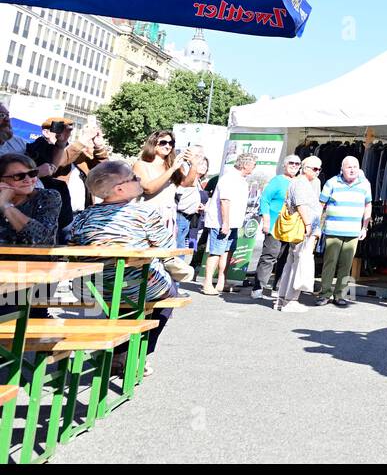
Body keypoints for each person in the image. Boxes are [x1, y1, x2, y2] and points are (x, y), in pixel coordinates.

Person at [69, 161, 179, 375]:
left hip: (91, 288)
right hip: (135, 287)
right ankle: (135, 354)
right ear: (119, 188)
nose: (139, 180)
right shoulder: (145, 213)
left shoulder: (83, 216)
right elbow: (167, 248)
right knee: (170, 295)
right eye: (134, 178)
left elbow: (73, 247)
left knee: (126, 297)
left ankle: (120, 353)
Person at [317, 156, 373, 307]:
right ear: (342, 169)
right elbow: (321, 204)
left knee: (346, 265)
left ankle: (340, 295)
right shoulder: (332, 182)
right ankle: (325, 294)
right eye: (349, 167)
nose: (352, 169)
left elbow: (368, 205)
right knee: (330, 262)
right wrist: (317, 225)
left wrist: (365, 227)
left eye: (355, 166)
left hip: (353, 231)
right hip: (333, 230)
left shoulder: (365, 184)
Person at [201, 153, 256, 295]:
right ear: (245, 165)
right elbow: (224, 201)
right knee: (216, 252)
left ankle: (221, 282)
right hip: (221, 223)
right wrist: (225, 223)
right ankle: (207, 283)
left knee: (227, 252)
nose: (254, 167)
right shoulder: (229, 179)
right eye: (253, 164)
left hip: (234, 224)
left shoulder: (242, 180)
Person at [274, 155, 323, 312]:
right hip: (302, 229)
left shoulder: (300, 182)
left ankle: (282, 300)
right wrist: (309, 225)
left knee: (292, 262)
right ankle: (290, 301)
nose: (317, 172)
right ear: (305, 168)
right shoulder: (301, 183)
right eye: (315, 168)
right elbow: (301, 204)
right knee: (299, 263)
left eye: (319, 169)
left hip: (301, 229)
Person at [133, 130, 201, 234]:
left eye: (171, 143)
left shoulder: (173, 166)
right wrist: (172, 169)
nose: (168, 146)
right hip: (147, 216)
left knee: (166, 250)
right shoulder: (141, 165)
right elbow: (148, 189)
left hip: (168, 216)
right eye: (163, 142)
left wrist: (194, 165)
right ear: (153, 144)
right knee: (147, 250)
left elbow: (188, 183)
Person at [253, 154, 302, 300]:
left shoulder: (299, 182)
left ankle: (278, 287)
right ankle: (258, 288)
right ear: (284, 165)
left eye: (297, 164)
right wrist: (266, 221)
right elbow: (265, 200)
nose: (294, 166)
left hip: (290, 226)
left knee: (285, 258)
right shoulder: (277, 181)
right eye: (291, 163)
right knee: (270, 256)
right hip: (275, 224)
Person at [0, 153, 61, 245]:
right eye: (19, 176)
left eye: (32, 174)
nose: (28, 180)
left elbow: (40, 238)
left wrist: (6, 206)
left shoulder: (47, 197)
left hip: (35, 258)